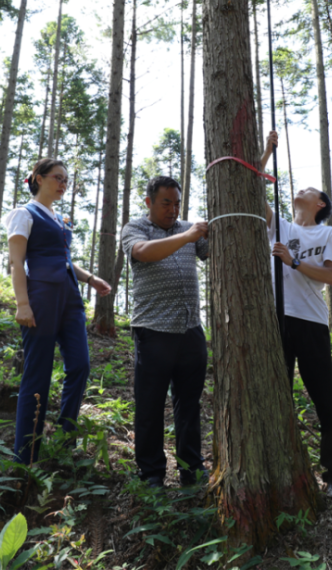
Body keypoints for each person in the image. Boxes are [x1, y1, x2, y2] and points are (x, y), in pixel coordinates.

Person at [259, 131, 332, 505]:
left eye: (309, 189)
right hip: (277, 321)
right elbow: (250, 187)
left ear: (320, 203)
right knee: (276, 397)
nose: (301, 191)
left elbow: (330, 276)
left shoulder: (328, 232)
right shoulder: (280, 226)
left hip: (311, 323)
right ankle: (273, 468)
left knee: (324, 399)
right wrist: (267, 152)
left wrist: (293, 262)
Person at [6, 158, 112, 465]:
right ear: (38, 178)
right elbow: (17, 262)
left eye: (66, 179)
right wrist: (22, 304)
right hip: (39, 297)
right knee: (37, 376)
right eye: (58, 177)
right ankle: (26, 457)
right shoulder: (23, 214)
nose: (63, 184)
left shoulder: (59, 218)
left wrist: (91, 279)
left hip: (69, 298)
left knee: (80, 366)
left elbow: (64, 259)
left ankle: (65, 440)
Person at [121, 176, 210, 488]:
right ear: (149, 202)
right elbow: (143, 252)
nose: (173, 209)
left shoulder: (188, 229)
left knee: (189, 404)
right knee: (150, 405)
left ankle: (191, 469)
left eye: (176, 203)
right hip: (153, 331)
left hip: (191, 331)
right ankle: (152, 474)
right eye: (165, 203)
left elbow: (214, 250)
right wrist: (188, 236)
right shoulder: (136, 228)